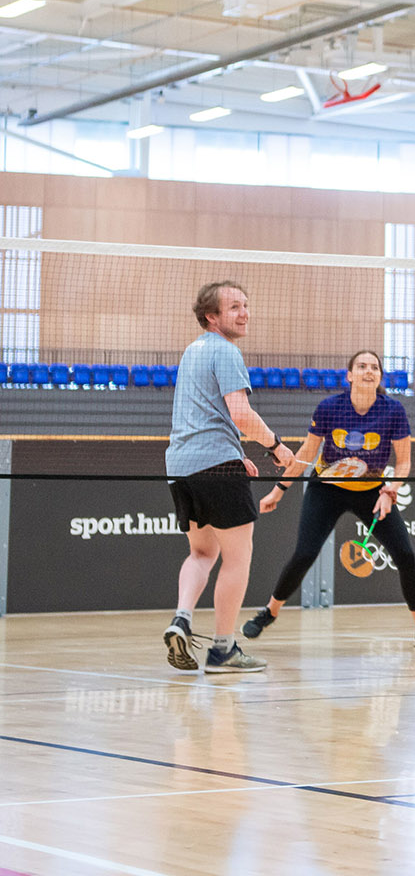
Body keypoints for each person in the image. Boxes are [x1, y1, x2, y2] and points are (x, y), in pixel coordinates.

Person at [243, 349, 415, 649]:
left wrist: (390, 490)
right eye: (362, 366)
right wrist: (278, 490)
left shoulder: (394, 411)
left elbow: (403, 462)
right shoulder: (329, 408)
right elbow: (306, 455)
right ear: (349, 375)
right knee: (304, 554)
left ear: (379, 377)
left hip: (371, 491)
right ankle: (269, 613)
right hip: (327, 488)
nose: (368, 371)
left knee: (404, 554)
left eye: (374, 367)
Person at [163, 280, 292, 674]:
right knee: (238, 558)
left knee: (202, 553)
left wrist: (236, 455)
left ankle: (182, 618)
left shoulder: (192, 352)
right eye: (234, 307)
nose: (244, 313)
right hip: (216, 467)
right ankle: (223, 650)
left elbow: (204, 414)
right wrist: (275, 447)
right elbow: (239, 413)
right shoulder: (226, 351)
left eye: (246, 305)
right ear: (211, 317)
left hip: (181, 467)